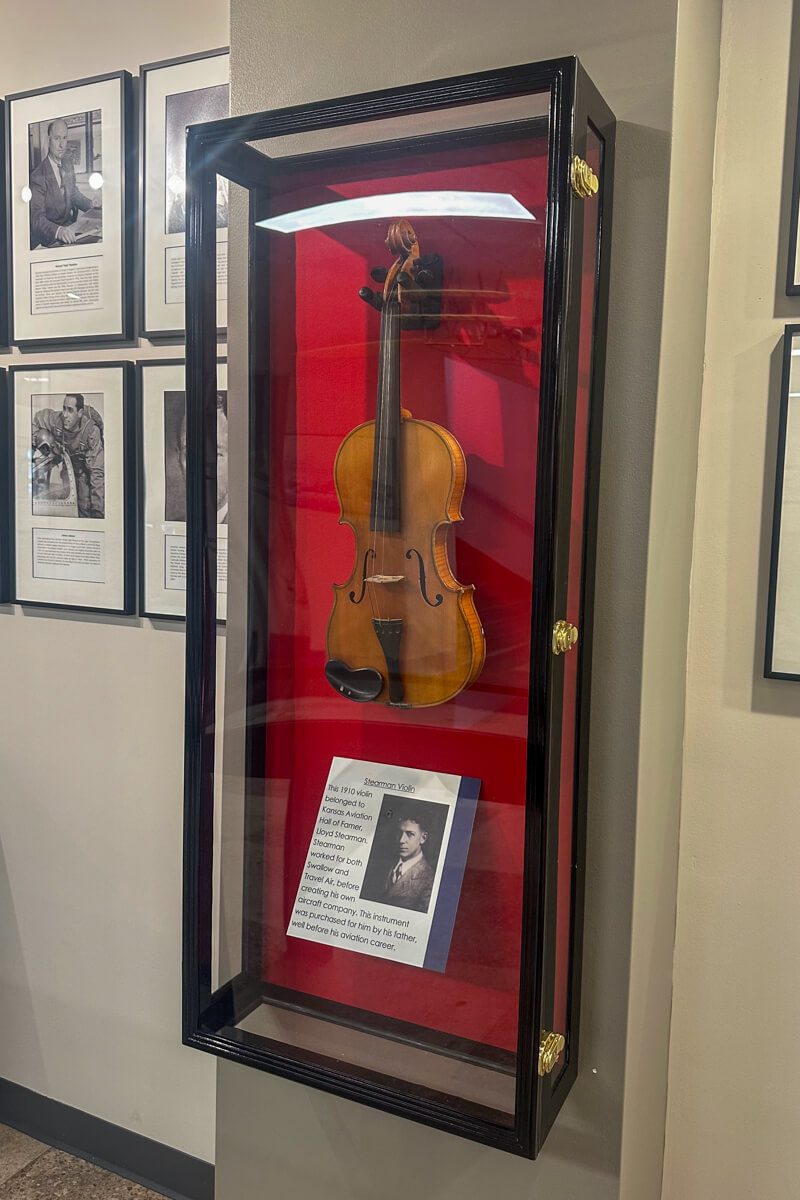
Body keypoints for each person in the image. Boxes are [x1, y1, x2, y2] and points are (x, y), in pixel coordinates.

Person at [29, 118, 101, 250]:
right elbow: (37, 219)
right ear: (48, 139)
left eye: (64, 138)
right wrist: (59, 231)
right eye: (57, 138)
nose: (62, 145)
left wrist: (90, 204)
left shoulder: (67, 164)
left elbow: (74, 194)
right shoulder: (37, 176)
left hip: (71, 229)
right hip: (50, 239)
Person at [31, 394, 104, 519]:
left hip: (84, 472)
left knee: (85, 507)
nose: (65, 415)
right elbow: (36, 420)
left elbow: (96, 473)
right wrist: (42, 444)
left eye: (70, 410)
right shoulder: (56, 420)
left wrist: (98, 512)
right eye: (64, 408)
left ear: (80, 413)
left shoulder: (92, 432)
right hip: (67, 470)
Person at [176, 392, 229, 523]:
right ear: (179, 458)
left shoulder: (253, 529)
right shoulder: (172, 526)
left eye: (215, 454)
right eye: (191, 455)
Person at [380, 810, 435, 913]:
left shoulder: (429, 879)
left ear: (423, 838)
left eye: (410, 834)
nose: (401, 840)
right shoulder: (384, 865)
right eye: (400, 833)